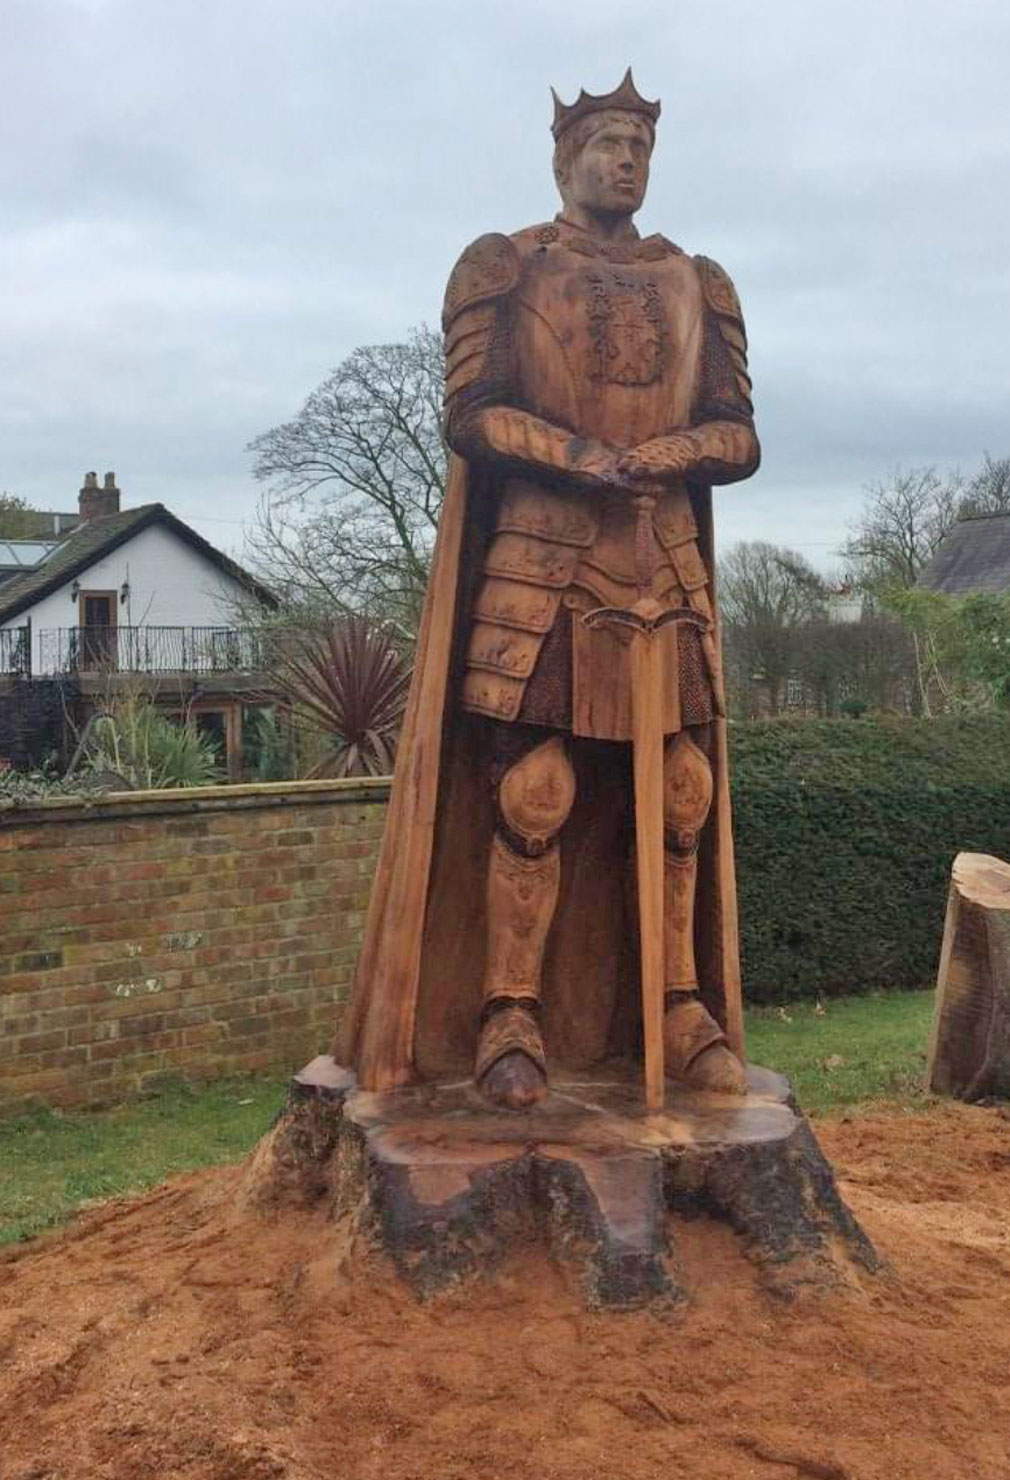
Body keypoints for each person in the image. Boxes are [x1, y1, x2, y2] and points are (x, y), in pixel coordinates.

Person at [335, 73, 761, 1109]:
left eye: (641, 146)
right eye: (609, 142)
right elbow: (471, 411)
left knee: (683, 795)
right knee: (534, 792)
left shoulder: (699, 282)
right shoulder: (505, 267)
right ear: (565, 156)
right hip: (540, 556)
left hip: (662, 557)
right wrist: (574, 452)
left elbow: (740, 433)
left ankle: (677, 1002)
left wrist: (673, 449)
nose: (628, 160)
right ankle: (509, 1011)